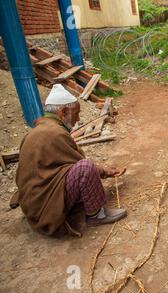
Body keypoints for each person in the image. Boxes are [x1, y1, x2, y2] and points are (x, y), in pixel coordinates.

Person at [10, 84, 127, 237]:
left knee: (83, 167)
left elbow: (60, 166)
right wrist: (105, 171)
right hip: (42, 208)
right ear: (64, 111)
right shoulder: (55, 133)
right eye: (76, 113)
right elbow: (79, 165)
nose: (78, 119)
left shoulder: (38, 131)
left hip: (33, 203)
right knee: (86, 167)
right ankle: (97, 215)